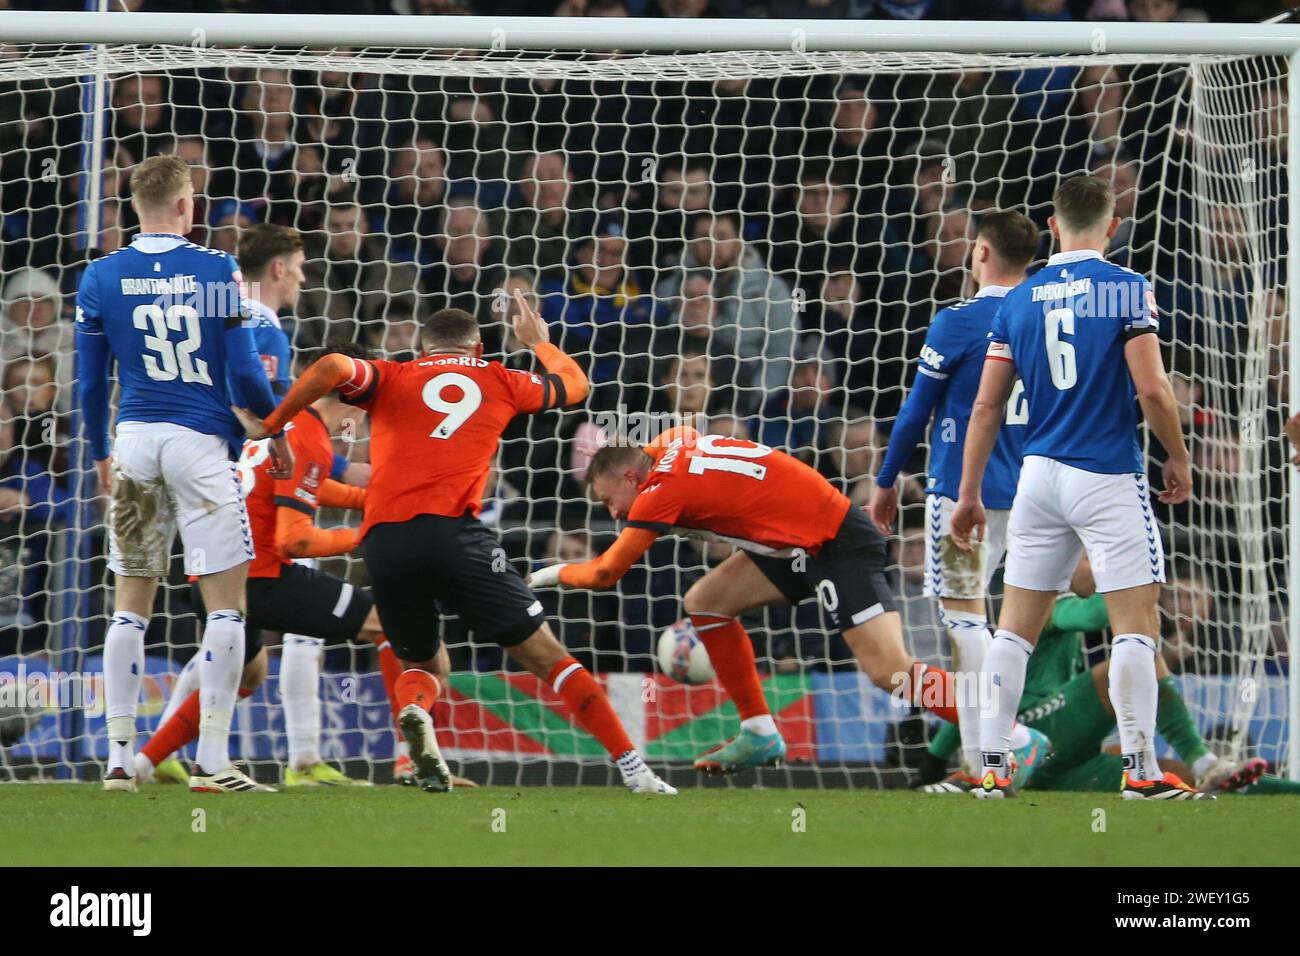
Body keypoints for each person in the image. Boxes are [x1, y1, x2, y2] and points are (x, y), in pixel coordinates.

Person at [235, 296, 676, 795]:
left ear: (421, 350)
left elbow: (333, 365)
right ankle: (636, 771)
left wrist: (273, 426)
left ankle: (415, 714)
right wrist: (540, 343)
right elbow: (577, 386)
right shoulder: (500, 377)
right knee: (548, 656)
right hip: (455, 536)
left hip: (386, 542)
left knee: (425, 665)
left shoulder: (392, 377)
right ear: (479, 348)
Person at [528, 425, 983, 778]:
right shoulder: (673, 441)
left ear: (632, 478)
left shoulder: (657, 495)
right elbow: (661, 447)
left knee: (890, 671)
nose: (613, 513)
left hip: (835, 542)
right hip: (792, 546)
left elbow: (605, 572)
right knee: (705, 600)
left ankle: (1003, 730)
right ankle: (759, 730)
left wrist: (545, 575)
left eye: (609, 500)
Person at [950, 174, 1198, 799]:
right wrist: (1178, 457)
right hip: (1106, 473)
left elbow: (985, 408)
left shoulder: (1019, 298)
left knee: (1012, 633)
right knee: (1135, 628)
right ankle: (1141, 771)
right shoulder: (1126, 291)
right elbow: (1152, 390)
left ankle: (992, 768)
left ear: (1053, 227)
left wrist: (970, 493)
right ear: (1112, 228)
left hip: (1036, 477)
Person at [132, 346, 470, 789]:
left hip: (213, 577)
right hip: (261, 578)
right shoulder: (309, 438)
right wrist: (366, 538)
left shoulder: (289, 425)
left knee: (249, 673)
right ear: (351, 394)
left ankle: (142, 763)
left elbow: (309, 485)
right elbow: (296, 539)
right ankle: (409, 760)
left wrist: (378, 502)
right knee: (392, 626)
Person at [76, 153, 291, 794]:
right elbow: (244, 367)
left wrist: (99, 452)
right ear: (185, 206)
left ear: (133, 208)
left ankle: (117, 761)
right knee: (226, 608)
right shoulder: (216, 268)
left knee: (128, 608)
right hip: (199, 444)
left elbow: (90, 383)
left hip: (136, 439)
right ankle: (214, 761)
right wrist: (272, 425)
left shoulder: (100, 276)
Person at [870, 210, 1042, 790]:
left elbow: (916, 412)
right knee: (1012, 626)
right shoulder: (1046, 314)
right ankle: (996, 751)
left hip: (963, 497)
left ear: (983, 254)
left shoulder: (960, 321)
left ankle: (988, 757)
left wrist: (887, 481)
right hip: (1037, 497)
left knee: (966, 622)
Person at [920, 556, 1300, 796]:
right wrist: (1130, 584)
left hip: (1057, 762)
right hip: (1039, 731)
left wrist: (935, 761)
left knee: (1174, 775)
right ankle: (1204, 760)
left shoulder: (1037, 605)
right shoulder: (1050, 605)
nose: (1097, 563)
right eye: (1089, 556)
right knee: (1136, 658)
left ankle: (1281, 789)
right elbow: (1095, 616)